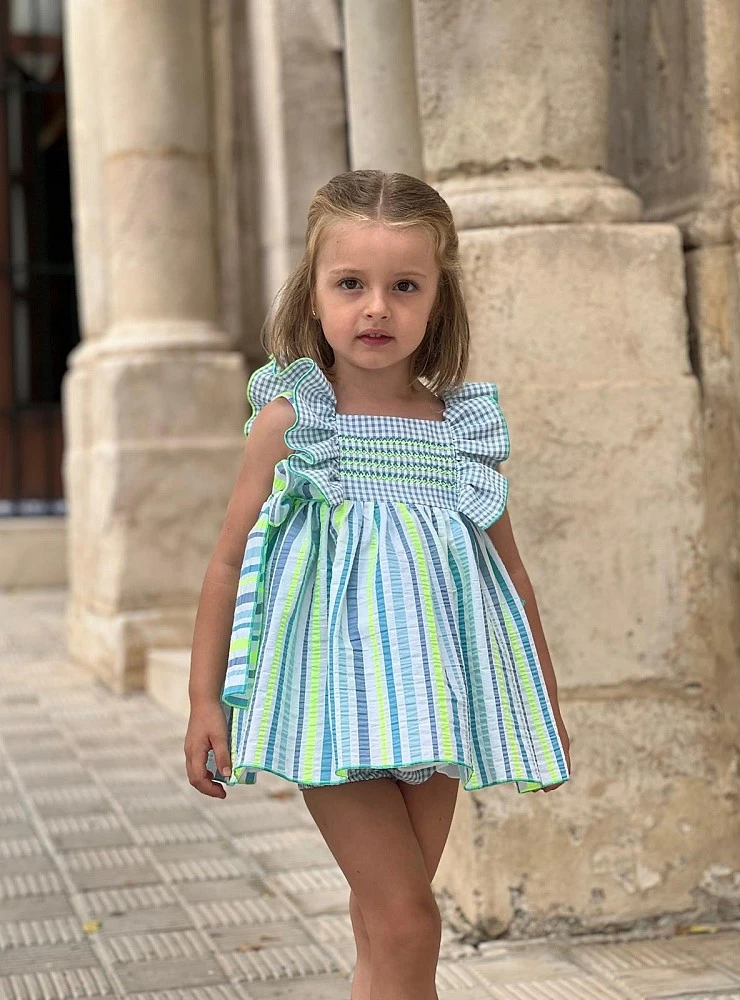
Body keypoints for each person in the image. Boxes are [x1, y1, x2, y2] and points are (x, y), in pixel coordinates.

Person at [184, 169, 571, 1000]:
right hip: (332, 703)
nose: (376, 308)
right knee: (409, 924)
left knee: (382, 923)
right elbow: (227, 560)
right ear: (313, 292)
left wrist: (543, 699)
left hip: (437, 700)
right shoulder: (297, 421)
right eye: (351, 284)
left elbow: (512, 575)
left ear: (438, 299)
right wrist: (204, 701)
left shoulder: (456, 430)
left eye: (404, 287)